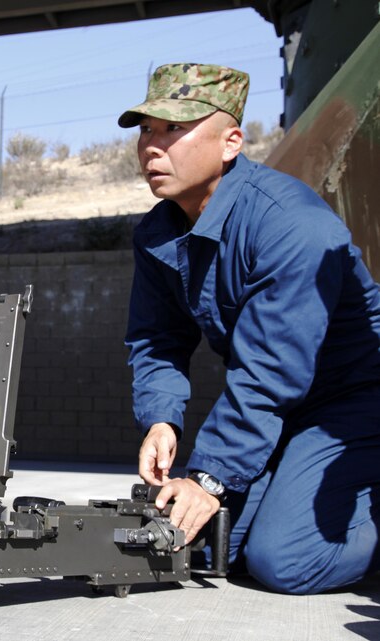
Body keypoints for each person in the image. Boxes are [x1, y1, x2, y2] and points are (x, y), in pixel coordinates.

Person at [122, 63, 380, 595]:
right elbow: (156, 339)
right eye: (146, 128)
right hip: (292, 407)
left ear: (231, 142)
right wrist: (161, 420)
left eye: (174, 129)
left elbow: (271, 368)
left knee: (286, 561)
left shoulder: (290, 223)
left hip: (357, 400)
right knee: (212, 546)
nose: (152, 145)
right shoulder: (159, 231)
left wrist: (211, 476)